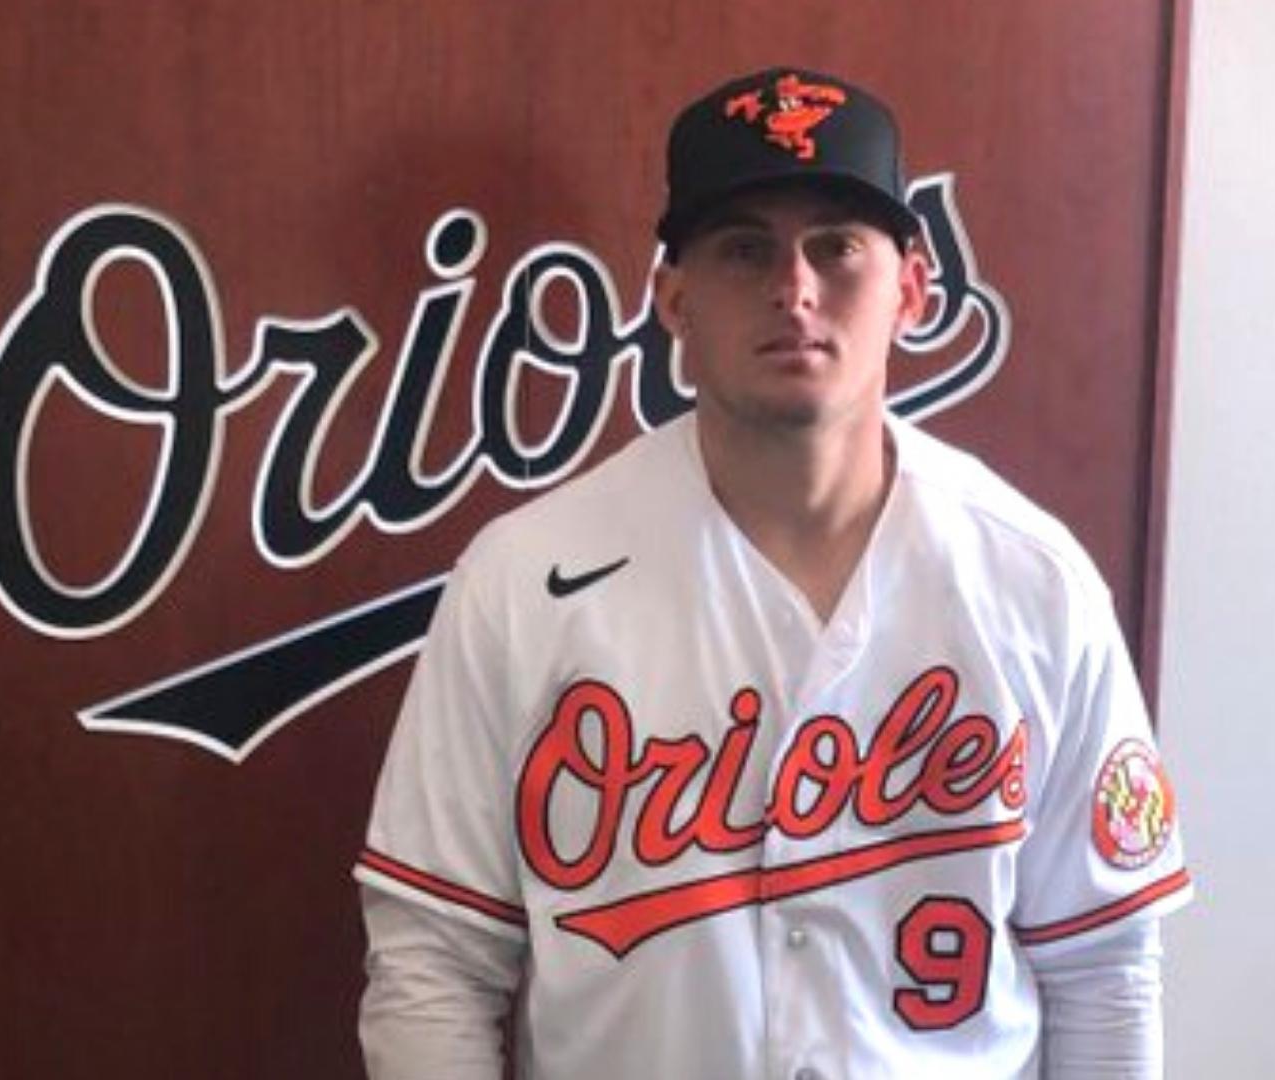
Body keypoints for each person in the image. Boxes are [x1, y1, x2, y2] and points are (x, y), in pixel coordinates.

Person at [355, 66, 1191, 1080]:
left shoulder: (1034, 582)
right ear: (673, 297)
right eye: (744, 248)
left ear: (913, 288)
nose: (793, 288)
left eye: (836, 247)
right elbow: (433, 964)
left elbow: (1105, 966)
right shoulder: (525, 580)